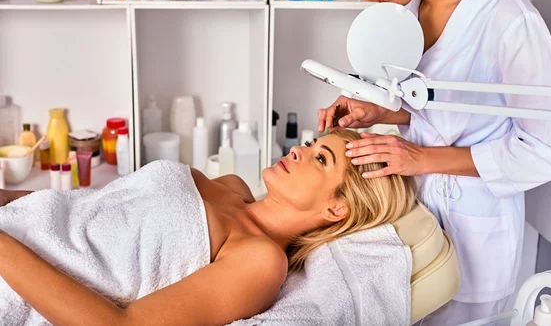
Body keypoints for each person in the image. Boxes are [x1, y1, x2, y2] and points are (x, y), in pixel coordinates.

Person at [318, 0, 551, 323]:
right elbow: (442, 112)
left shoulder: (507, 19)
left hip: (477, 245)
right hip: (418, 231)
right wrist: (380, 111)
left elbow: (549, 152)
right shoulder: (414, 13)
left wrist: (420, 157)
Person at [0, 129, 415, 326]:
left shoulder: (260, 260)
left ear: (336, 209)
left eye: (320, 159)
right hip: (20, 225)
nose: (298, 151)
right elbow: (84, 206)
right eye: (310, 144)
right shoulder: (231, 186)